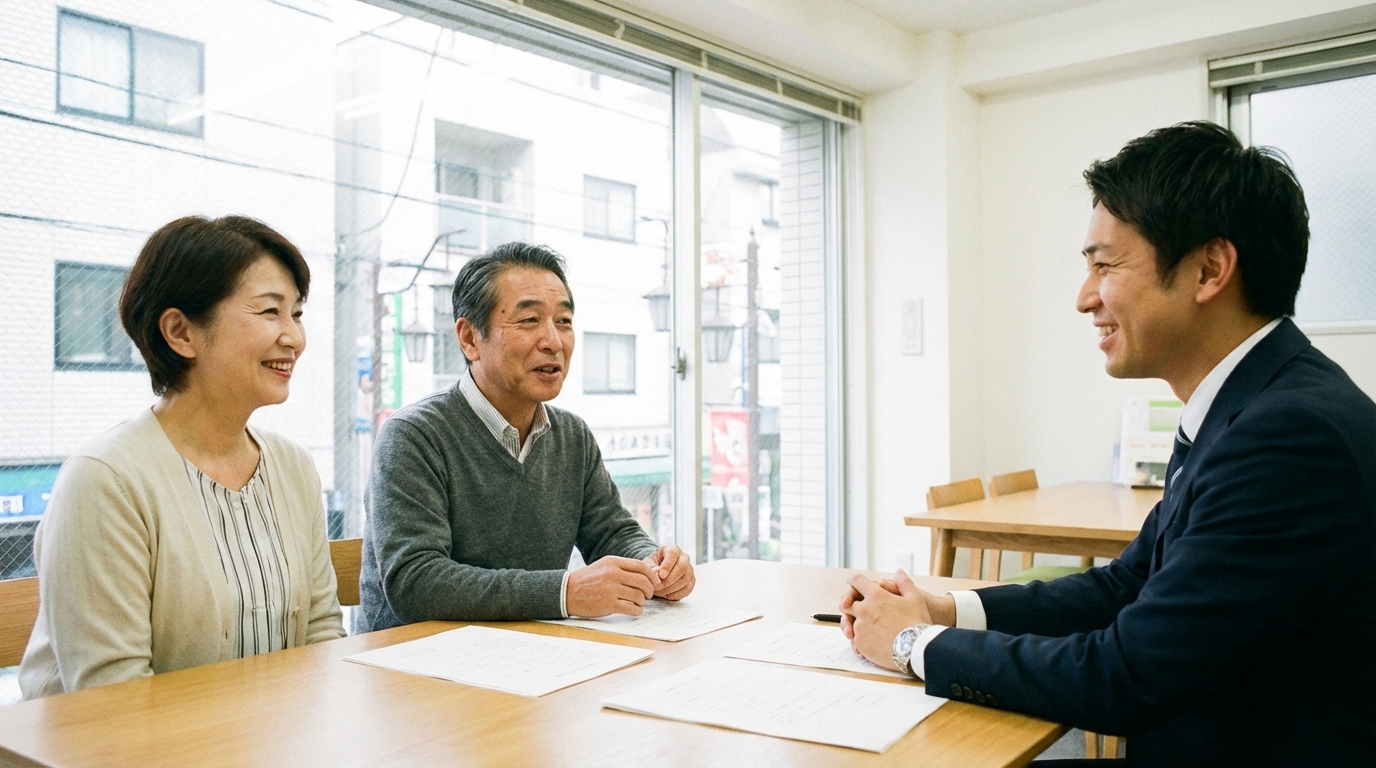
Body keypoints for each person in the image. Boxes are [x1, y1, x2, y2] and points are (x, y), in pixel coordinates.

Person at [842, 121, 1375, 766]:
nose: (1083, 298)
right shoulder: (1253, 402)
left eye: (1104, 265)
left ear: (1209, 269)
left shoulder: (1290, 436)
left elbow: (1126, 676)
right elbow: (1126, 586)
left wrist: (914, 644)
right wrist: (946, 608)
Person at [20, 216, 345, 699]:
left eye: (296, 314)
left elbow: (322, 638)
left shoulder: (292, 466)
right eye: (269, 312)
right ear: (181, 332)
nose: (294, 338)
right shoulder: (106, 479)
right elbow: (114, 699)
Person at [358, 242, 693, 631]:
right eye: (529, 320)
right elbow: (417, 583)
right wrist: (565, 593)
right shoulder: (413, 437)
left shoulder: (572, 436)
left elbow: (612, 532)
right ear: (469, 339)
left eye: (564, 321)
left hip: (526, 657)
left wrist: (656, 564)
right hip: (409, 667)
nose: (553, 341)